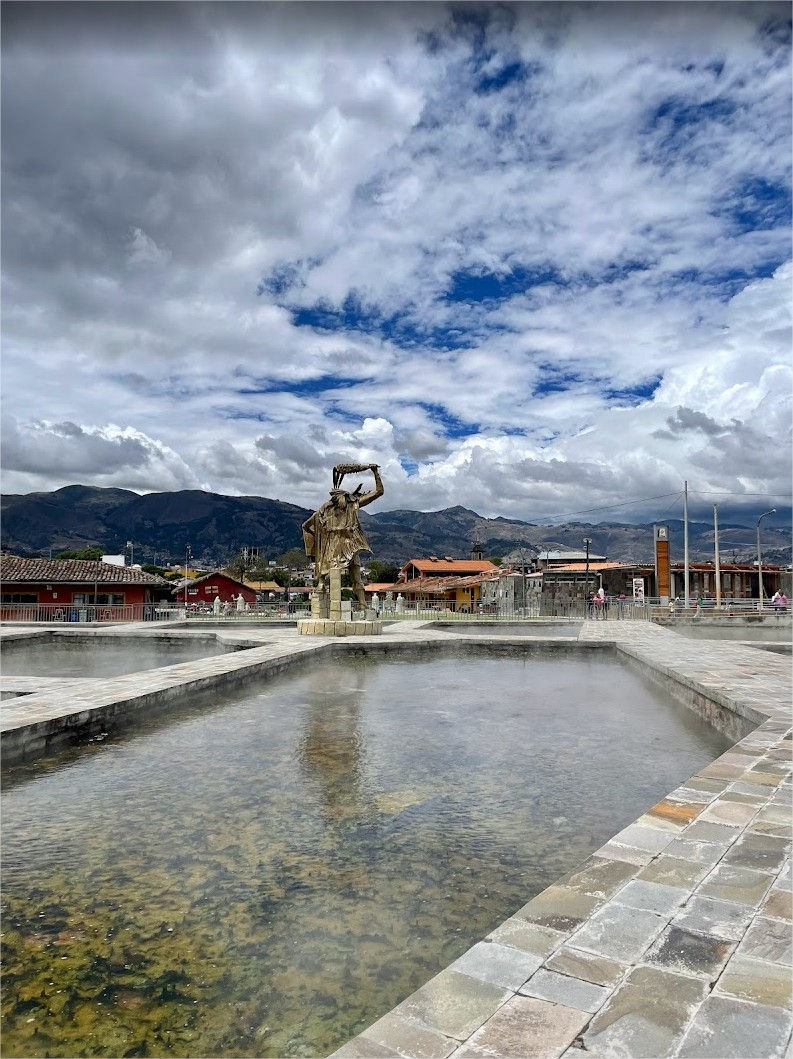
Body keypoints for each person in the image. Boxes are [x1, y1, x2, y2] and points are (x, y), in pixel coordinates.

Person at [302, 463, 384, 609]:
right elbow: (306, 525)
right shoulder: (325, 510)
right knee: (333, 573)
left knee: (354, 574)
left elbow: (379, 491)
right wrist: (318, 540)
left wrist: (375, 472)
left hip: (348, 544)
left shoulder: (348, 505)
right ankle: (327, 588)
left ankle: (362, 603)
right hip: (335, 544)